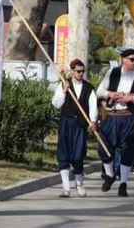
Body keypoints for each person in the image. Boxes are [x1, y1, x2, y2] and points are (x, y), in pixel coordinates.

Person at [96, 49, 134, 197]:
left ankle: (123, 184)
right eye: (132, 59)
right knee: (103, 147)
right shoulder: (112, 73)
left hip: (129, 116)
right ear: (123, 60)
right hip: (112, 115)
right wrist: (111, 94)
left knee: (127, 149)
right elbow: (100, 90)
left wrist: (131, 99)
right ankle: (109, 175)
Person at [51, 59, 97, 198]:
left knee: (78, 155)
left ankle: (79, 182)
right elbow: (56, 104)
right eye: (78, 71)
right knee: (63, 154)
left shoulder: (89, 88)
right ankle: (66, 188)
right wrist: (64, 92)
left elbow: (93, 104)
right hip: (66, 122)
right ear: (72, 71)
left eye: (83, 71)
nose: (81, 74)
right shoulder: (64, 85)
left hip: (80, 125)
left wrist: (93, 121)